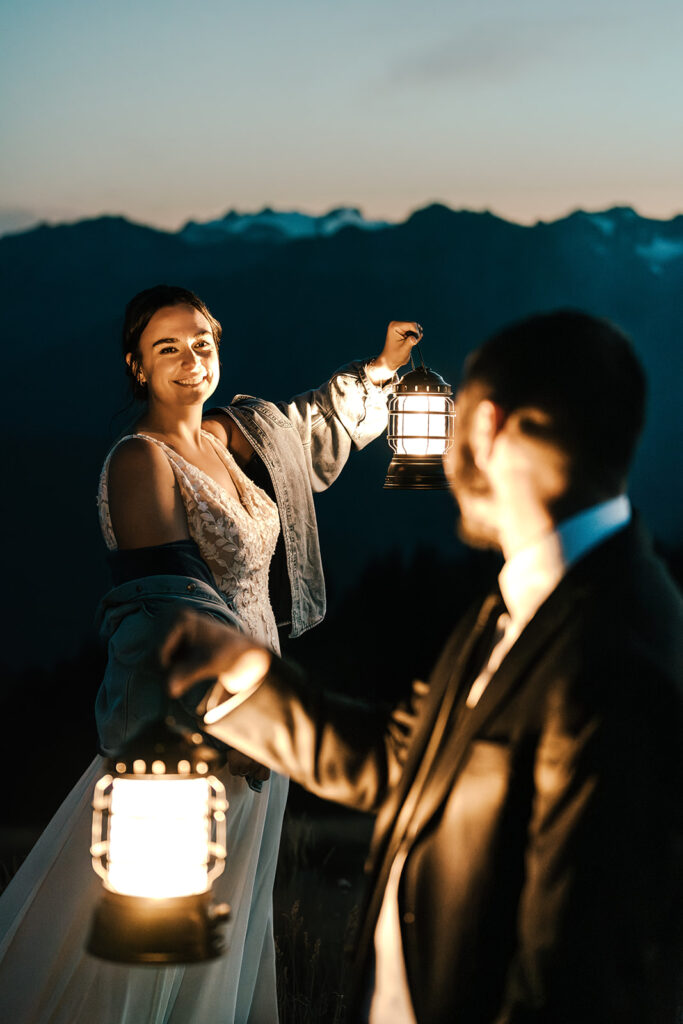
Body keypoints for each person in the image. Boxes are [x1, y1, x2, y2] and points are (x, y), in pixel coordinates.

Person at [162, 310, 683, 1024]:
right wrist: (243, 686)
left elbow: (575, 978)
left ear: (489, 427)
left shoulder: (613, 658)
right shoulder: (527, 599)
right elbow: (407, 760)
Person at [0, 283, 420, 1024]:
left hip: (262, 712)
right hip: (192, 726)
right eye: (168, 348)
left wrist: (382, 371)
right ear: (137, 366)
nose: (190, 359)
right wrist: (246, 713)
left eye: (201, 342)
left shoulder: (231, 435)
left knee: (231, 918)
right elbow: (169, 601)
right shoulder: (138, 460)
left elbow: (304, 432)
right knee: (158, 925)